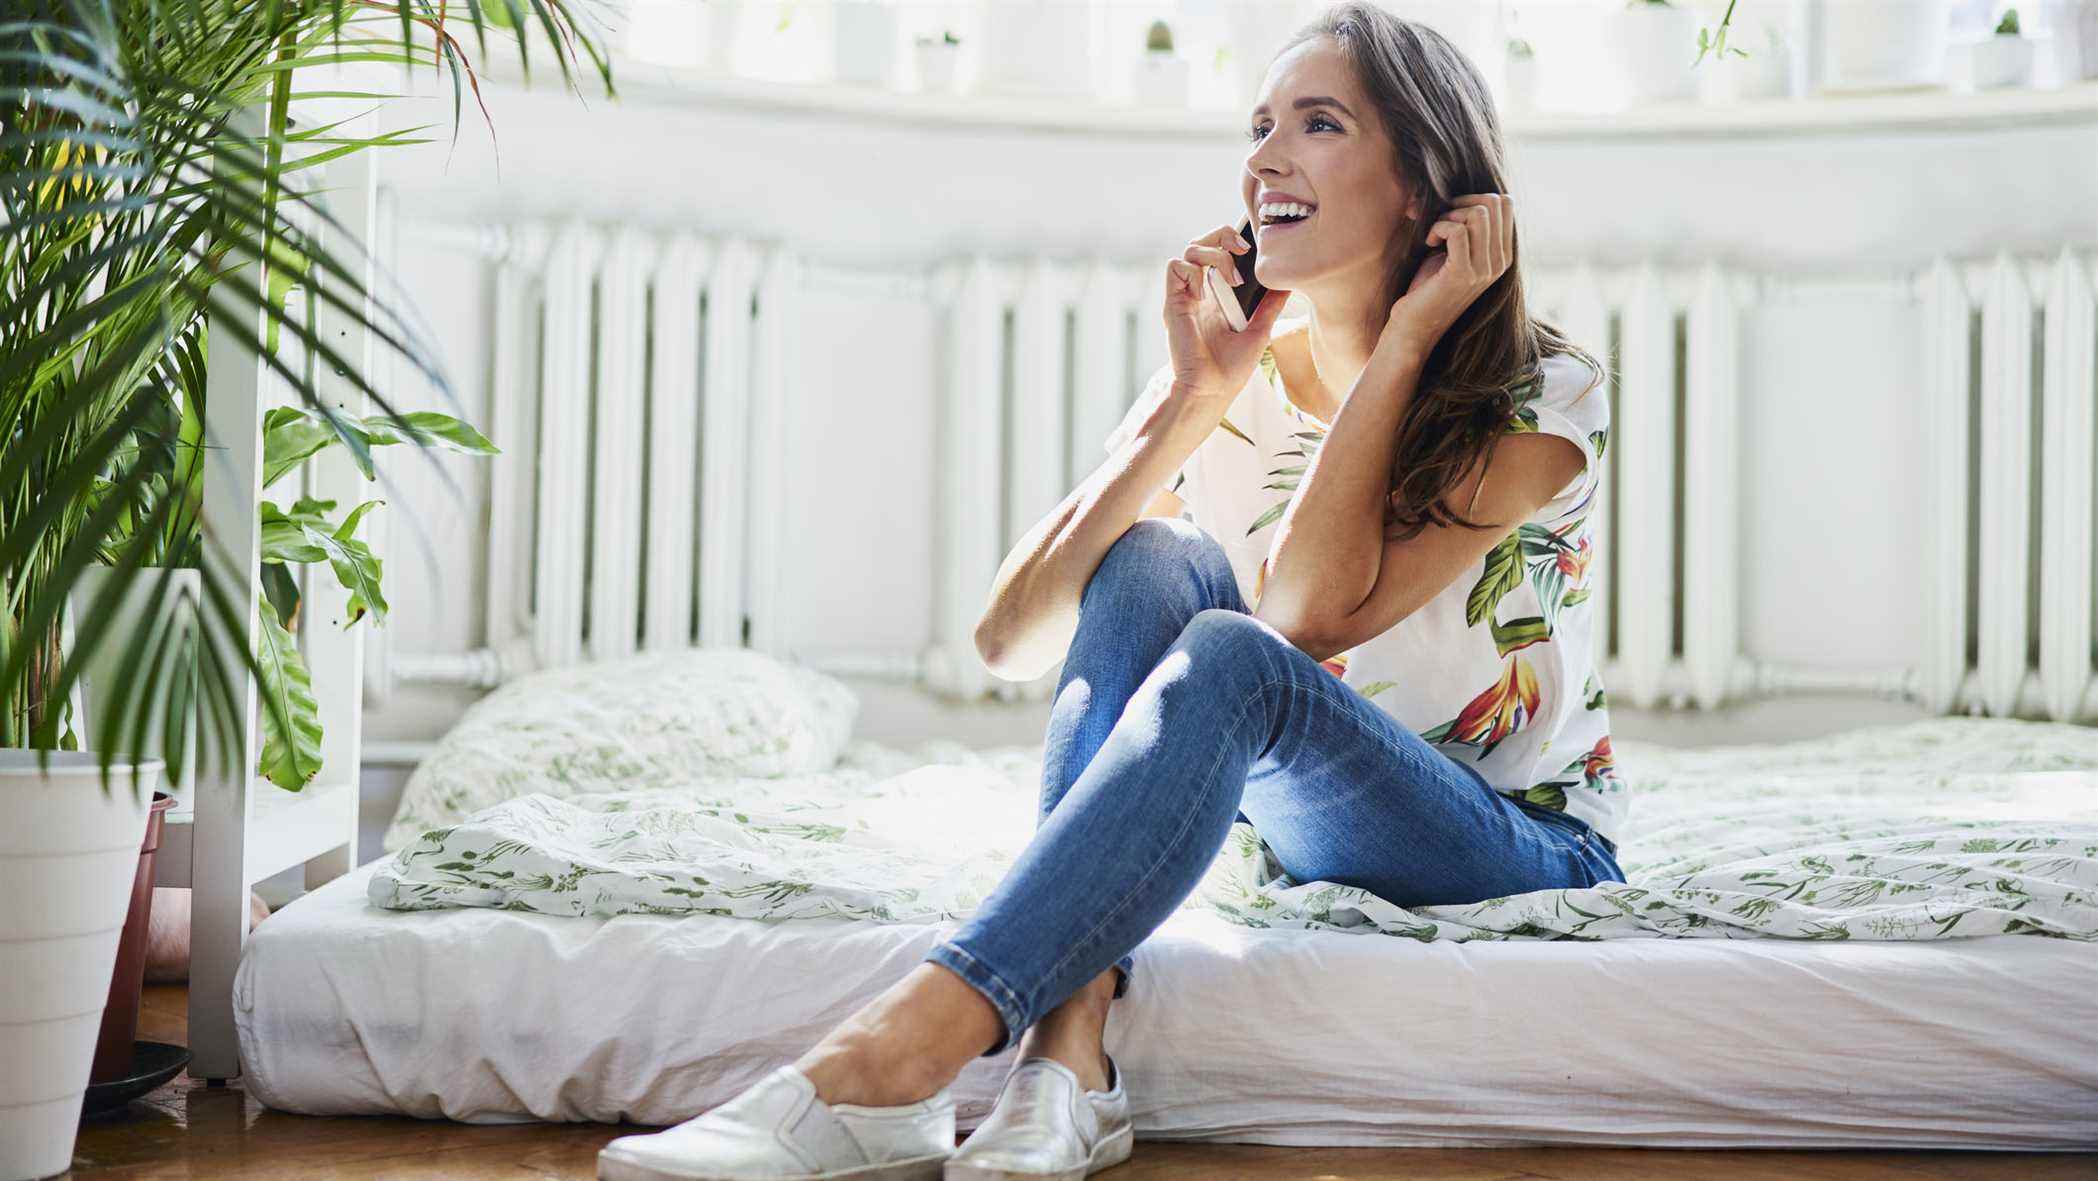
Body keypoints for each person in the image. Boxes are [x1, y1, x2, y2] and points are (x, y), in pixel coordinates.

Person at [598, 6, 1629, 1180]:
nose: (1263, 158)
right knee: (1150, 558)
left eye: (1319, 123)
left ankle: (888, 1059)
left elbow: (1296, 621)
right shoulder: (1239, 372)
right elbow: (1010, 637)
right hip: (1309, 826)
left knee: (1235, 651)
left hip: (1512, 840)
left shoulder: (1541, 393)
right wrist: (1186, 402)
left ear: (1420, 186)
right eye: (1258, 126)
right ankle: (1068, 1047)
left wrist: (1402, 343)